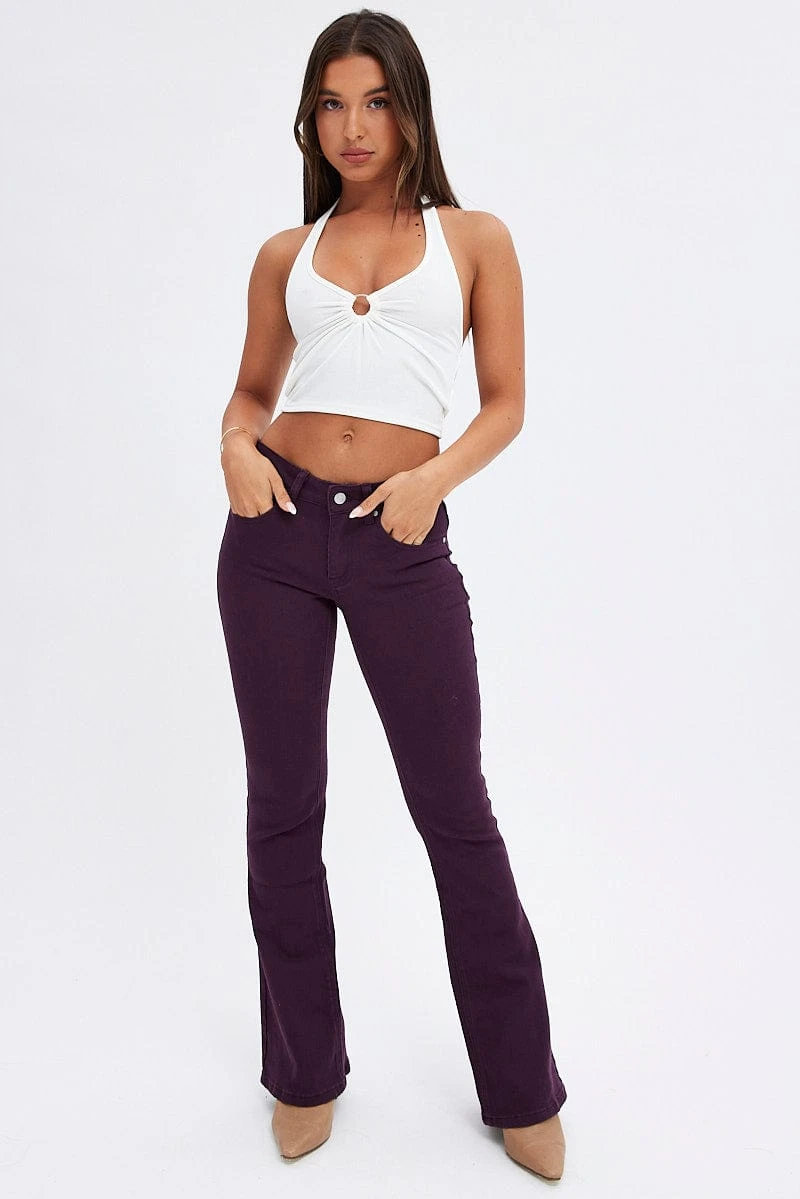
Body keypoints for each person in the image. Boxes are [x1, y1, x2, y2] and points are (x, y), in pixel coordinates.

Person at [216, 8, 568, 1180]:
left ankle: (520, 1084)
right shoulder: (285, 252)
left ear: (410, 110)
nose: (352, 126)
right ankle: (303, 1072)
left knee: (454, 811)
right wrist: (233, 447)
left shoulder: (473, 238)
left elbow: (505, 401)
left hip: (399, 536)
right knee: (282, 809)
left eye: (374, 101)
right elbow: (251, 391)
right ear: (309, 120)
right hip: (271, 535)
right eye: (331, 103)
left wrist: (430, 479)